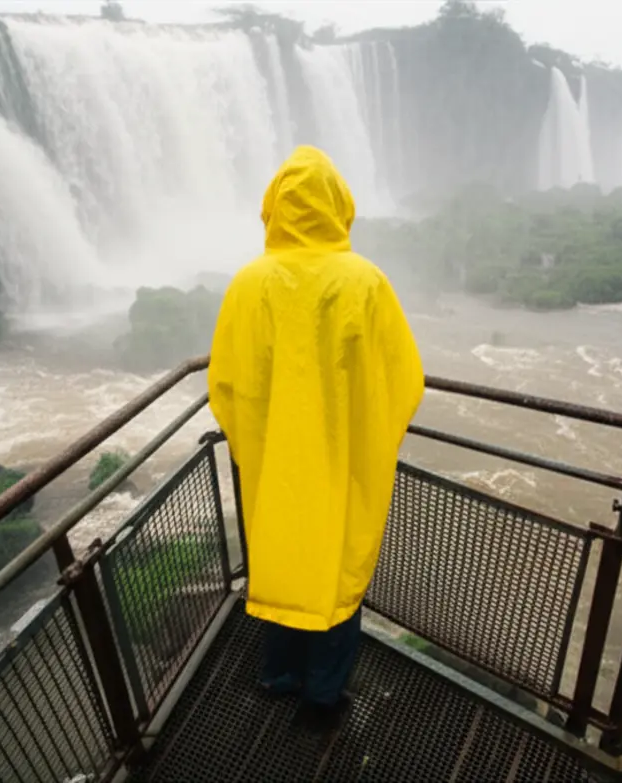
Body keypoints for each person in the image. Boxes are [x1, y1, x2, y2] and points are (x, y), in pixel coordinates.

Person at [208, 145, 425, 731]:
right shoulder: (365, 283)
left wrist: (258, 442)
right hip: (342, 466)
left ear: (274, 207)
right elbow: (404, 382)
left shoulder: (248, 284)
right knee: (336, 572)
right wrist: (366, 439)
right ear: (339, 204)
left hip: (274, 466)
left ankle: (278, 676)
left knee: (280, 564)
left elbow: (225, 386)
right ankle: (323, 697)